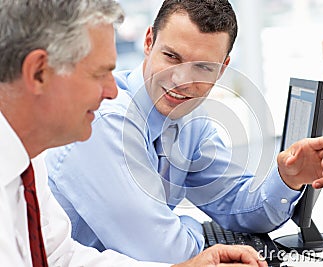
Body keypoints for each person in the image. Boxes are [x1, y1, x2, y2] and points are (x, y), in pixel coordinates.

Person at [45, 0, 323, 264]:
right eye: (172, 57)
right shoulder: (106, 119)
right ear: (149, 42)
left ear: (223, 69)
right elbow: (166, 253)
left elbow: (239, 207)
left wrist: (287, 178)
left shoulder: (189, 120)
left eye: (202, 67)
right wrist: (190, 225)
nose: (180, 81)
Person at [0, 0, 267, 266]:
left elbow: (62, 257)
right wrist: (194, 231)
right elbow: (163, 250)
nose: (112, 90)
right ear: (38, 73)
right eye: (98, 74)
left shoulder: (29, 164)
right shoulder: (106, 120)